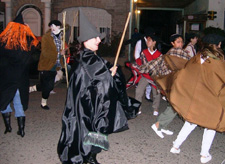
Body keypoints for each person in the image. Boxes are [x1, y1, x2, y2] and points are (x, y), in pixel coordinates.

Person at [57, 9, 140, 164]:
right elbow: (101, 80)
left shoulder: (86, 56)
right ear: (85, 40)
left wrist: (108, 73)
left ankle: (91, 156)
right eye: (95, 37)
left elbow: (96, 77)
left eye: (98, 37)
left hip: (88, 102)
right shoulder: (88, 58)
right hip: (88, 104)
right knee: (95, 127)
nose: (99, 40)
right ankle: (90, 156)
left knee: (93, 127)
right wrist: (110, 76)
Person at [166, 34, 225, 163]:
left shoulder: (197, 57)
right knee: (211, 125)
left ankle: (175, 146)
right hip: (210, 97)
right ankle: (204, 155)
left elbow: (187, 71)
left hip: (196, 95)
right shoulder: (217, 61)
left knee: (191, 122)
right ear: (218, 44)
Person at [135, 34, 191, 137]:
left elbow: (155, 64)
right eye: (178, 41)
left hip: (172, 83)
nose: (181, 44)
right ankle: (158, 125)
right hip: (175, 83)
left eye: (182, 41)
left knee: (173, 105)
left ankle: (161, 124)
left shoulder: (168, 54)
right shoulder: (176, 53)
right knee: (175, 106)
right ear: (172, 43)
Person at [0, 13, 39, 137]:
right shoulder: (27, 42)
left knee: (4, 101)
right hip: (20, 77)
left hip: (6, 77)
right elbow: (36, 45)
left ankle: (8, 127)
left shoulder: (3, 41)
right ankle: (21, 130)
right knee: (18, 103)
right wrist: (28, 31)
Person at [29, 20, 67, 110]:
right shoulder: (46, 37)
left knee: (47, 85)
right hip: (46, 65)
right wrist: (59, 53)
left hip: (56, 65)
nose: (55, 28)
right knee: (47, 85)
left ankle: (33, 88)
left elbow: (62, 50)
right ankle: (43, 103)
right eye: (53, 26)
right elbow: (45, 53)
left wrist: (65, 51)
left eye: (57, 26)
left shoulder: (61, 37)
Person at [135, 33, 162, 116]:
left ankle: (156, 107)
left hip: (155, 77)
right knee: (138, 91)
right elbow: (142, 63)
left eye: (149, 40)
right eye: (147, 40)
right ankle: (137, 108)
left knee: (156, 93)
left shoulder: (159, 55)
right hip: (145, 76)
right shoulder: (144, 52)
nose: (147, 42)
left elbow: (160, 67)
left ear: (154, 42)